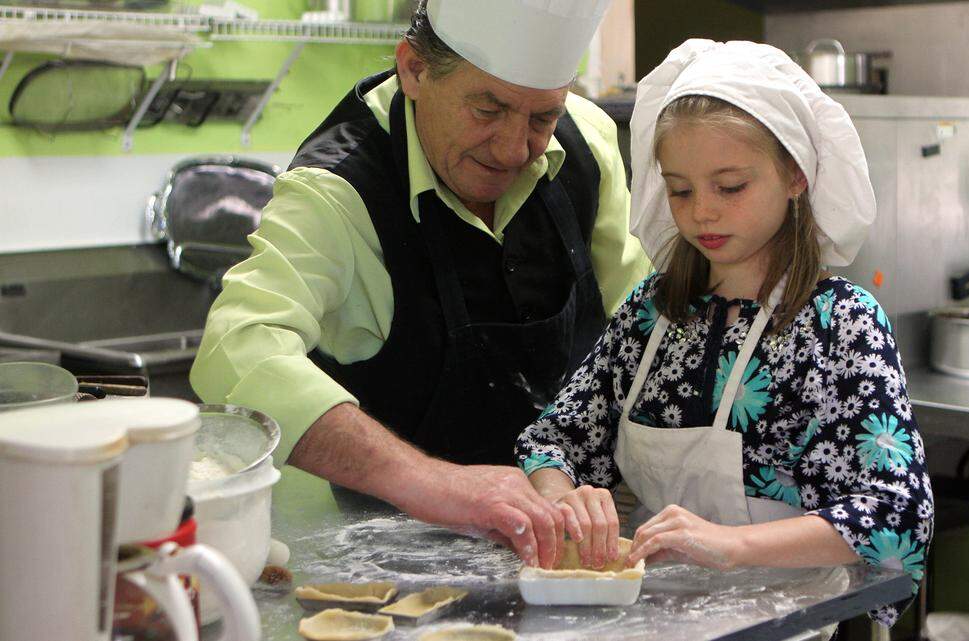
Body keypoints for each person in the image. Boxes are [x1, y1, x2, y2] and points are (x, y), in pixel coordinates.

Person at [190, 0, 650, 569]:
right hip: (390, 558)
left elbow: (641, 333)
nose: (513, 150)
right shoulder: (338, 190)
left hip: (572, 545)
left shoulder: (588, 143)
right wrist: (435, 483)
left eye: (540, 119)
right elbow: (235, 350)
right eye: (487, 109)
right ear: (414, 69)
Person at [516, 39, 932, 626]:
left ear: (795, 175)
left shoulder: (839, 326)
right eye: (680, 189)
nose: (701, 212)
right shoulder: (650, 317)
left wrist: (729, 546)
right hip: (646, 620)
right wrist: (565, 500)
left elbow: (897, 516)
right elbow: (553, 440)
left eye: (729, 186)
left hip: (784, 625)